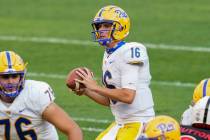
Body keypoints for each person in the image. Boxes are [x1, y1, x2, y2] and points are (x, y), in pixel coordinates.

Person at [73, 5, 155, 140]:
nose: (101, 30)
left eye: (106, 25)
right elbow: (110, 101)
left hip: (140, 122)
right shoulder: (108, 54)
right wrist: (87, 91)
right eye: (99, 26)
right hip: (120, 123)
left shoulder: (132, 50)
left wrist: (95, 87)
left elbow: (128, 96)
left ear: (121, 27)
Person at [0, 51, 83, 140]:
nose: (11, 82)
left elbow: (73, 130)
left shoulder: (35, 94)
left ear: (21, 76)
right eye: (5, 77)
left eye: (14, 76)